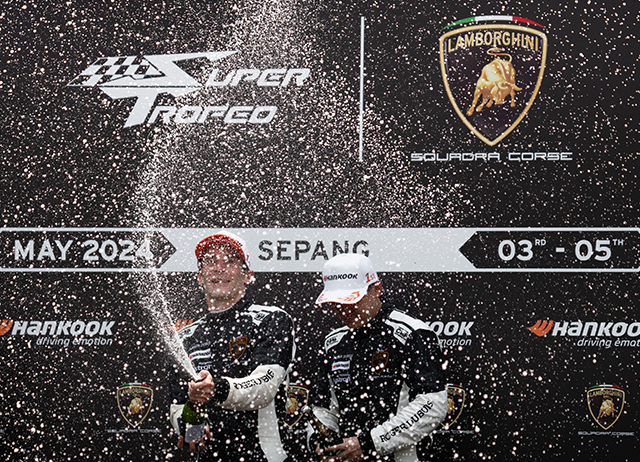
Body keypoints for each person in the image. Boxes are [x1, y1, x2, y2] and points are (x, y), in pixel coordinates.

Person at [169, 231, 296, 462]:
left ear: (248, 276)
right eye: (210, 261)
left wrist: (216, 388)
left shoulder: (272, 319)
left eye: (230, 261)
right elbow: (178, 405)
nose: (219, 268)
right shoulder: (185, 337)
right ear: (199, 276)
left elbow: (265, 387)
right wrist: (189, 426)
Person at [308, 254, 448, 461]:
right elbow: (324, 408)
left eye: (351, 300)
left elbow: (432, 405)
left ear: (377, 289)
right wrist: (319, 439)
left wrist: (369, 443)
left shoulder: (413, 333)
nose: (343, 310)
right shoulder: (333, 343)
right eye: (335, 303)